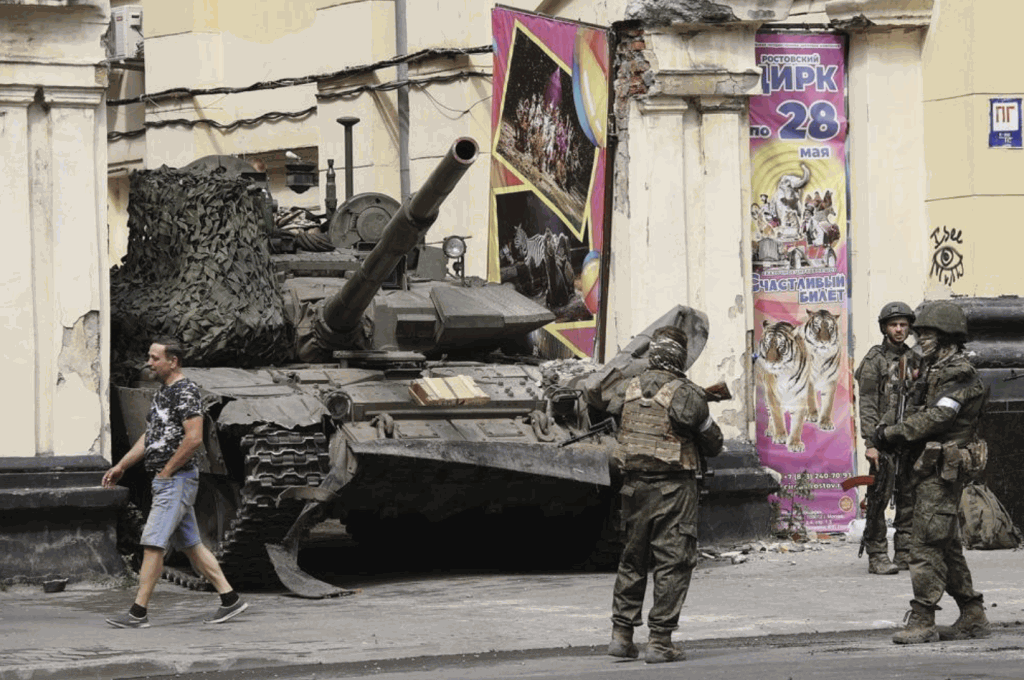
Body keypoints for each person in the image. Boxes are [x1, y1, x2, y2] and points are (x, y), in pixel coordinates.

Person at [102, 339, 248, 628]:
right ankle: (230, 599)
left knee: (153, 542)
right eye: (149, 356)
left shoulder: (186, 391)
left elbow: (194, 439)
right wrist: (121, 466)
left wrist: (167, 472)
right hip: (169, 480)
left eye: (155, 358)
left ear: (173, 361)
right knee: (192, 545)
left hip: (175, 480)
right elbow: (151, 436)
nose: (149, 363)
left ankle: (138, 613)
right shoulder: (163, 392)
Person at [600, 326, 724, 663]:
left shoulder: (627, 388)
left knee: (632, 559)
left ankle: (621, 636)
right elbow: (714, 444)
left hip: (633, 488)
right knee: (673, 562)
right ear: (680, 357)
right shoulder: (686, 395)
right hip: (673, 490)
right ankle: (660, 641)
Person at [875, 301, 990, 644]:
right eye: (920, 332)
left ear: (947, 337)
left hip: (942, 471)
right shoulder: (930, 369)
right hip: (925, 468)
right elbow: (912, 408)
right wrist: (887, 428)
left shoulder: (960, 374)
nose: (919, 338)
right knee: (946, 544)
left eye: (927, 333)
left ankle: (923, 618)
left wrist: (893, 433)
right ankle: (972, 615)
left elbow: (939, 417)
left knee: (925, 544)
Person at [853, 301, 921, 574]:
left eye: (903, 325)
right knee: (879, 497)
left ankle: (904, 552)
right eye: (894, 325)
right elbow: (867, 404)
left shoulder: (916, 359)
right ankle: (878, 554)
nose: (899, 329)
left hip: (909, 438)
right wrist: (871, 443)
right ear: (884, 328)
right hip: (883, 439)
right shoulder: (874, 360)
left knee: (908, 497)